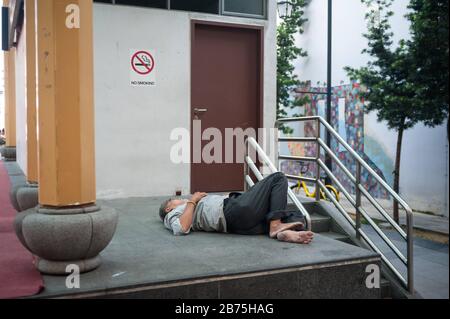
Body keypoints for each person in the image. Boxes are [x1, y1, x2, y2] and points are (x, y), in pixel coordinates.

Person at [159, 172, 314, 244]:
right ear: (168, 208)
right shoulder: (173, 214)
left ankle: (282, 232)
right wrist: (193, 200)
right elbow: (181, 228)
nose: (180, 199)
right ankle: (275, 226)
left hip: (239, 225)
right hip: (231, 212)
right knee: (278, 178)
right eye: (175, 200)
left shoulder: (187, 208)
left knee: (295, 217)